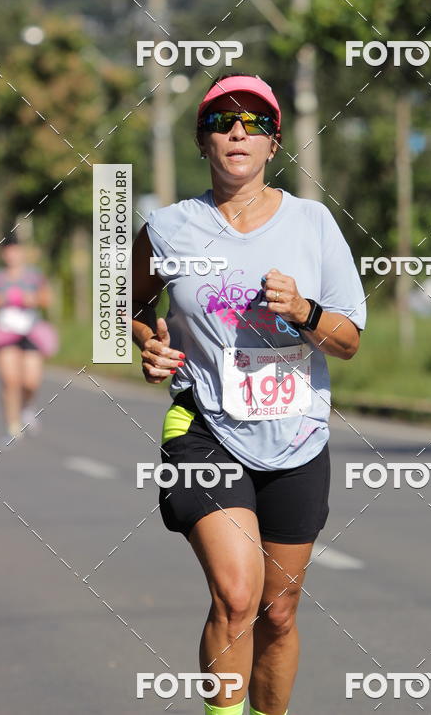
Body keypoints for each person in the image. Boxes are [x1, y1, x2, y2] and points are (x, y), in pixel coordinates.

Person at [131, 73, 367, 715]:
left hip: (296, 435)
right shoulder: (168, 228)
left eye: (254, 123)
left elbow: (347, 340)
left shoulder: (313, 224)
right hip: (204, 425)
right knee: (237, 595)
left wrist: (305, 311)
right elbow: (120, 307)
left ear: (273, 144)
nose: (238, 132)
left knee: (278, 610)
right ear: (202, 141)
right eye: (221, 122)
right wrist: (145, 343)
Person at [0, 236, 55, 445]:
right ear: (4, 254)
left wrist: (32, 299)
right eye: (8, 251)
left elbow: (47, 299)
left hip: (30, 332)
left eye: (16, 251)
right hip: (4, 333)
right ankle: (13, 426)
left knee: (30, 381)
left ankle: (27, 408)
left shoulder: (34, 276)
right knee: (10, 380)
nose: (12, 255)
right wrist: (2, 299)